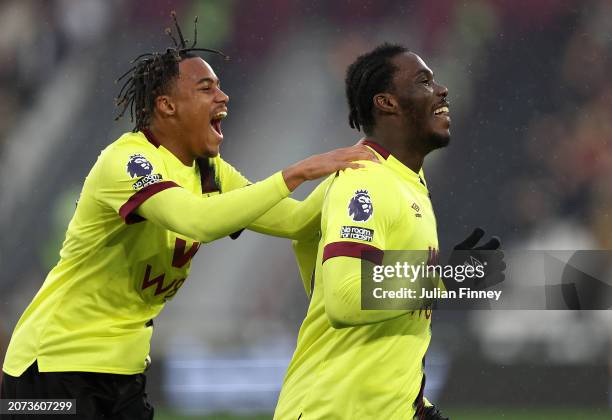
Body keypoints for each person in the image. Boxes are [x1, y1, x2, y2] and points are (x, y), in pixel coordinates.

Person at [0, 14, 376, 419]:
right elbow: (195, 220)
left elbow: (296, 221)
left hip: (121, 373)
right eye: (206, 88)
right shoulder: (128, 161)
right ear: (167, 106)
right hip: (54, 366)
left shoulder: (209, 171)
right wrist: (296, 172)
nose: (223, 97)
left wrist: (357, 174)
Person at [274, 44, 501, 419]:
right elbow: (346, 299)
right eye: (424, 81)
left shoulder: (408, 182)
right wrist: (446, 278)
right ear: (387, 103)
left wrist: (417, 405)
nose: (441, 90)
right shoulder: (365, 183)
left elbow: (394, 327)